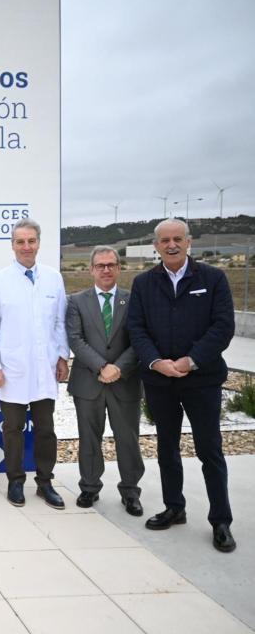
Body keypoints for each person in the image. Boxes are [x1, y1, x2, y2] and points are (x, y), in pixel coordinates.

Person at [128, 218, 236, 552]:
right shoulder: (144, 283)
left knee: (209, 450)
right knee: (167, 447)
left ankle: (221, 521)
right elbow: (137, 328)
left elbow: (222, 327)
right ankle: (175, 507)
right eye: (165, 240)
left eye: (178, 239)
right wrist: (156, 362)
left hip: (201, 380)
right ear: (156, 245)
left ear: (189, 242)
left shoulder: (213, 279)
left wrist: (190, 361)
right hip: (160, 381)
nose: (171, 245)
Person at [0, 218, 69, 509]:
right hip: (12, 370)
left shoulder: (53, 278)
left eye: (31, 241)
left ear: (39, 244)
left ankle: (45, 483)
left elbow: (60, 323)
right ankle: (15, 481)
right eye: (20, 242)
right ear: (13, 246)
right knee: (13, 429)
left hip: (45, 369)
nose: (26, 247)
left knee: (45, 428)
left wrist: (62, 356)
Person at [66, 245, 144, 516]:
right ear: (91, 269)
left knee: (128, 439)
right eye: (100, 265)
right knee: (89, 438)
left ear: (119, 268)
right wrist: (102, 366)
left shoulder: (134, 299)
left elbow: (140, 340)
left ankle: (131, 491)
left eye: (111, 264)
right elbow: (75, 339)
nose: (106, 269)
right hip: (89, 382)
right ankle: (89, 487)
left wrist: (118, 368)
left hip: (125, 382)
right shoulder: (76, 301)